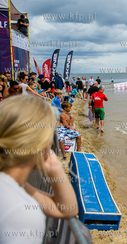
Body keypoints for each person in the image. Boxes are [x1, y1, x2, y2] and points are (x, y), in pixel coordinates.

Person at [0, 95, 78, 244]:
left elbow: (66, 209)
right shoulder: (20, 213)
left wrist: (53, 166)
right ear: (41, 142)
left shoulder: (10, 182)